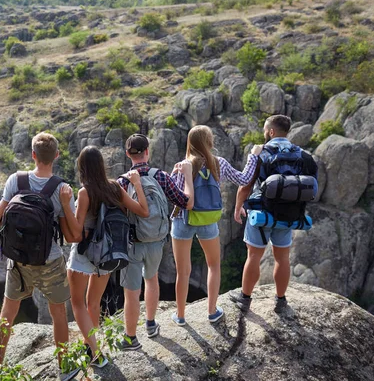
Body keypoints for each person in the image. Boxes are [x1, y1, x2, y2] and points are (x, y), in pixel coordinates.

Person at [0, 132, 78, 381]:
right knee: (58, 313)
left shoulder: (15, 180)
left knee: (7, 313)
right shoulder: (62, 189)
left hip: (17, 261)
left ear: (33, 155)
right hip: (49, 261)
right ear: (57, 156)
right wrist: (64, 203)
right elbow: (70, 234)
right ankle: (64, 368)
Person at [58, 145, 149, 366]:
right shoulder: (115, 187)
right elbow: (143, 211)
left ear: (82, 167)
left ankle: (96, 353)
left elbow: (77, 231)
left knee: (78, 303)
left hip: (84, 255)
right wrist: (137, 184)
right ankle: (91, 346)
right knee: (94, 303)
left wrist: (65, 206)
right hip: (108, 253)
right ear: (101, 165)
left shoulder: (85, 192)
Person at [171, 125, 262, 325]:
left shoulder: (182, 165)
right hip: (208, 219)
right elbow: (244, 179)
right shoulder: (218, 163)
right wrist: (254, 156)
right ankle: (212, 312)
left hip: (183, 220)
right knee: (213, 265)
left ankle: (180, 315)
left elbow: (175, 195)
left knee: (182, 271)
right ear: (209, 142)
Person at [116, 134, 194, 351]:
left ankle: (130, 337)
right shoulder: (161, 177)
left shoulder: (122, 181)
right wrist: (187, 178)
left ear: (127, 154)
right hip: (156, 240)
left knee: (131, 291)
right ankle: (150, 324)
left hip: (132, 242)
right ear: (147, 152)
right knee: (151, 280)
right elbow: (185, 202)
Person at [230, 115, 313, 313]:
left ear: (271, 132)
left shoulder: (262, 152)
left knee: (253, 256)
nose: (264, 133)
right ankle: (281, 300)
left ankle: (245, 299)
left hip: (261, 214)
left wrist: (237, 207)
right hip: (289, 214)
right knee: (282, 258)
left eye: (265, 130)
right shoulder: (301, 155)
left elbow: (245, 185)